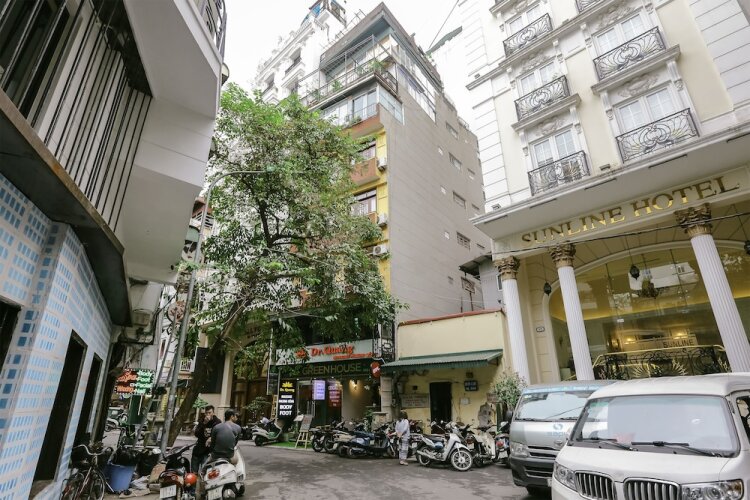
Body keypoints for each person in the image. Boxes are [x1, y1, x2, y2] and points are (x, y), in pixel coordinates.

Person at [192, 405, 220, 473]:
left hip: (208, 451)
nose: (208, 414)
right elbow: (196, 434)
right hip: (198, 449)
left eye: (209, 413)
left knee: (204, 472)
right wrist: (204, 423)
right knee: (193, 472)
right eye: (206, 413)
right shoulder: (202, 420)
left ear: (213, 413)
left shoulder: (217, 422)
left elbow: (218, 435)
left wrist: (211, 438)